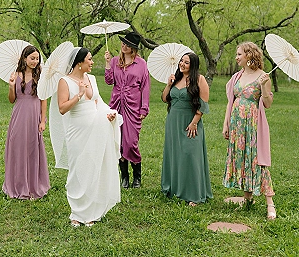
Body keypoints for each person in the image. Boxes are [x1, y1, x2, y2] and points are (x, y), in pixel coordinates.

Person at [49, 47, 122, 227]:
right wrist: (79, 95)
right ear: (79, 63)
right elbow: (62, 108)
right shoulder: (64, 81)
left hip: (97, 129)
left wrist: (109, 114)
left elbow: (98, 102)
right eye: (89, 59)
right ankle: (77, 213)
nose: (92, 62)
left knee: (94, 168)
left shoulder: (92, 78)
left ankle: (91, 212)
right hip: (77, 131)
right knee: (78, 169)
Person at [222, 42, 276, 220]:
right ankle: (247, 198)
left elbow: (267, 104)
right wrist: (226, 124)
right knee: (243, 157)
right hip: (237, 123)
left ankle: (270, 203)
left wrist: (263, 87)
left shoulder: (263, 76)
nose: (236, 57)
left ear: (249, 55)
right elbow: (231, 101)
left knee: (257, 159)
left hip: (253, 123)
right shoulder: (237, 76)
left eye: (239, 54)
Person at [160, 52, 212, 206]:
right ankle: (175, 188)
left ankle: (194, 194)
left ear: (193, 65)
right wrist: (169, 85)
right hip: (173, 121)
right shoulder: (176, 78)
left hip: (190, 121)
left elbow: (203, 104)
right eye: (181, 61)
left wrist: (194, 122)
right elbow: (164, 99)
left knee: (190, 154)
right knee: (175, 154)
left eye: (186, 62)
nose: (182, 64)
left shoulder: (199, 79)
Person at [2, 45, 50, 200]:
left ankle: (33, 184)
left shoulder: (41, 75)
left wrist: (42, 120)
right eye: (32, 58)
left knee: (32, 148)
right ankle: (17, 184)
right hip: (19, 115)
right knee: (18, 147)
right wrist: (11, 86)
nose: (35, 61)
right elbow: (11, 100)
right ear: (24, 58)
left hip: (34, 115)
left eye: (37, 58)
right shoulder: (15, 75)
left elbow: (43, 100)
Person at [104, 31, 150, 188]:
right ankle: (124, 177)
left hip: (133, 107)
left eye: (127, 44)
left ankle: (137, 176)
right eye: (123, 43)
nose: (123, 46)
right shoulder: (116, 61)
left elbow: (145, 87)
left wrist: (144, 108)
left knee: (131, 143)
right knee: (119, 142)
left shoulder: (141, 64)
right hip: (116, 106)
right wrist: (107, 63)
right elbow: (109, 81)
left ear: (133, 48)